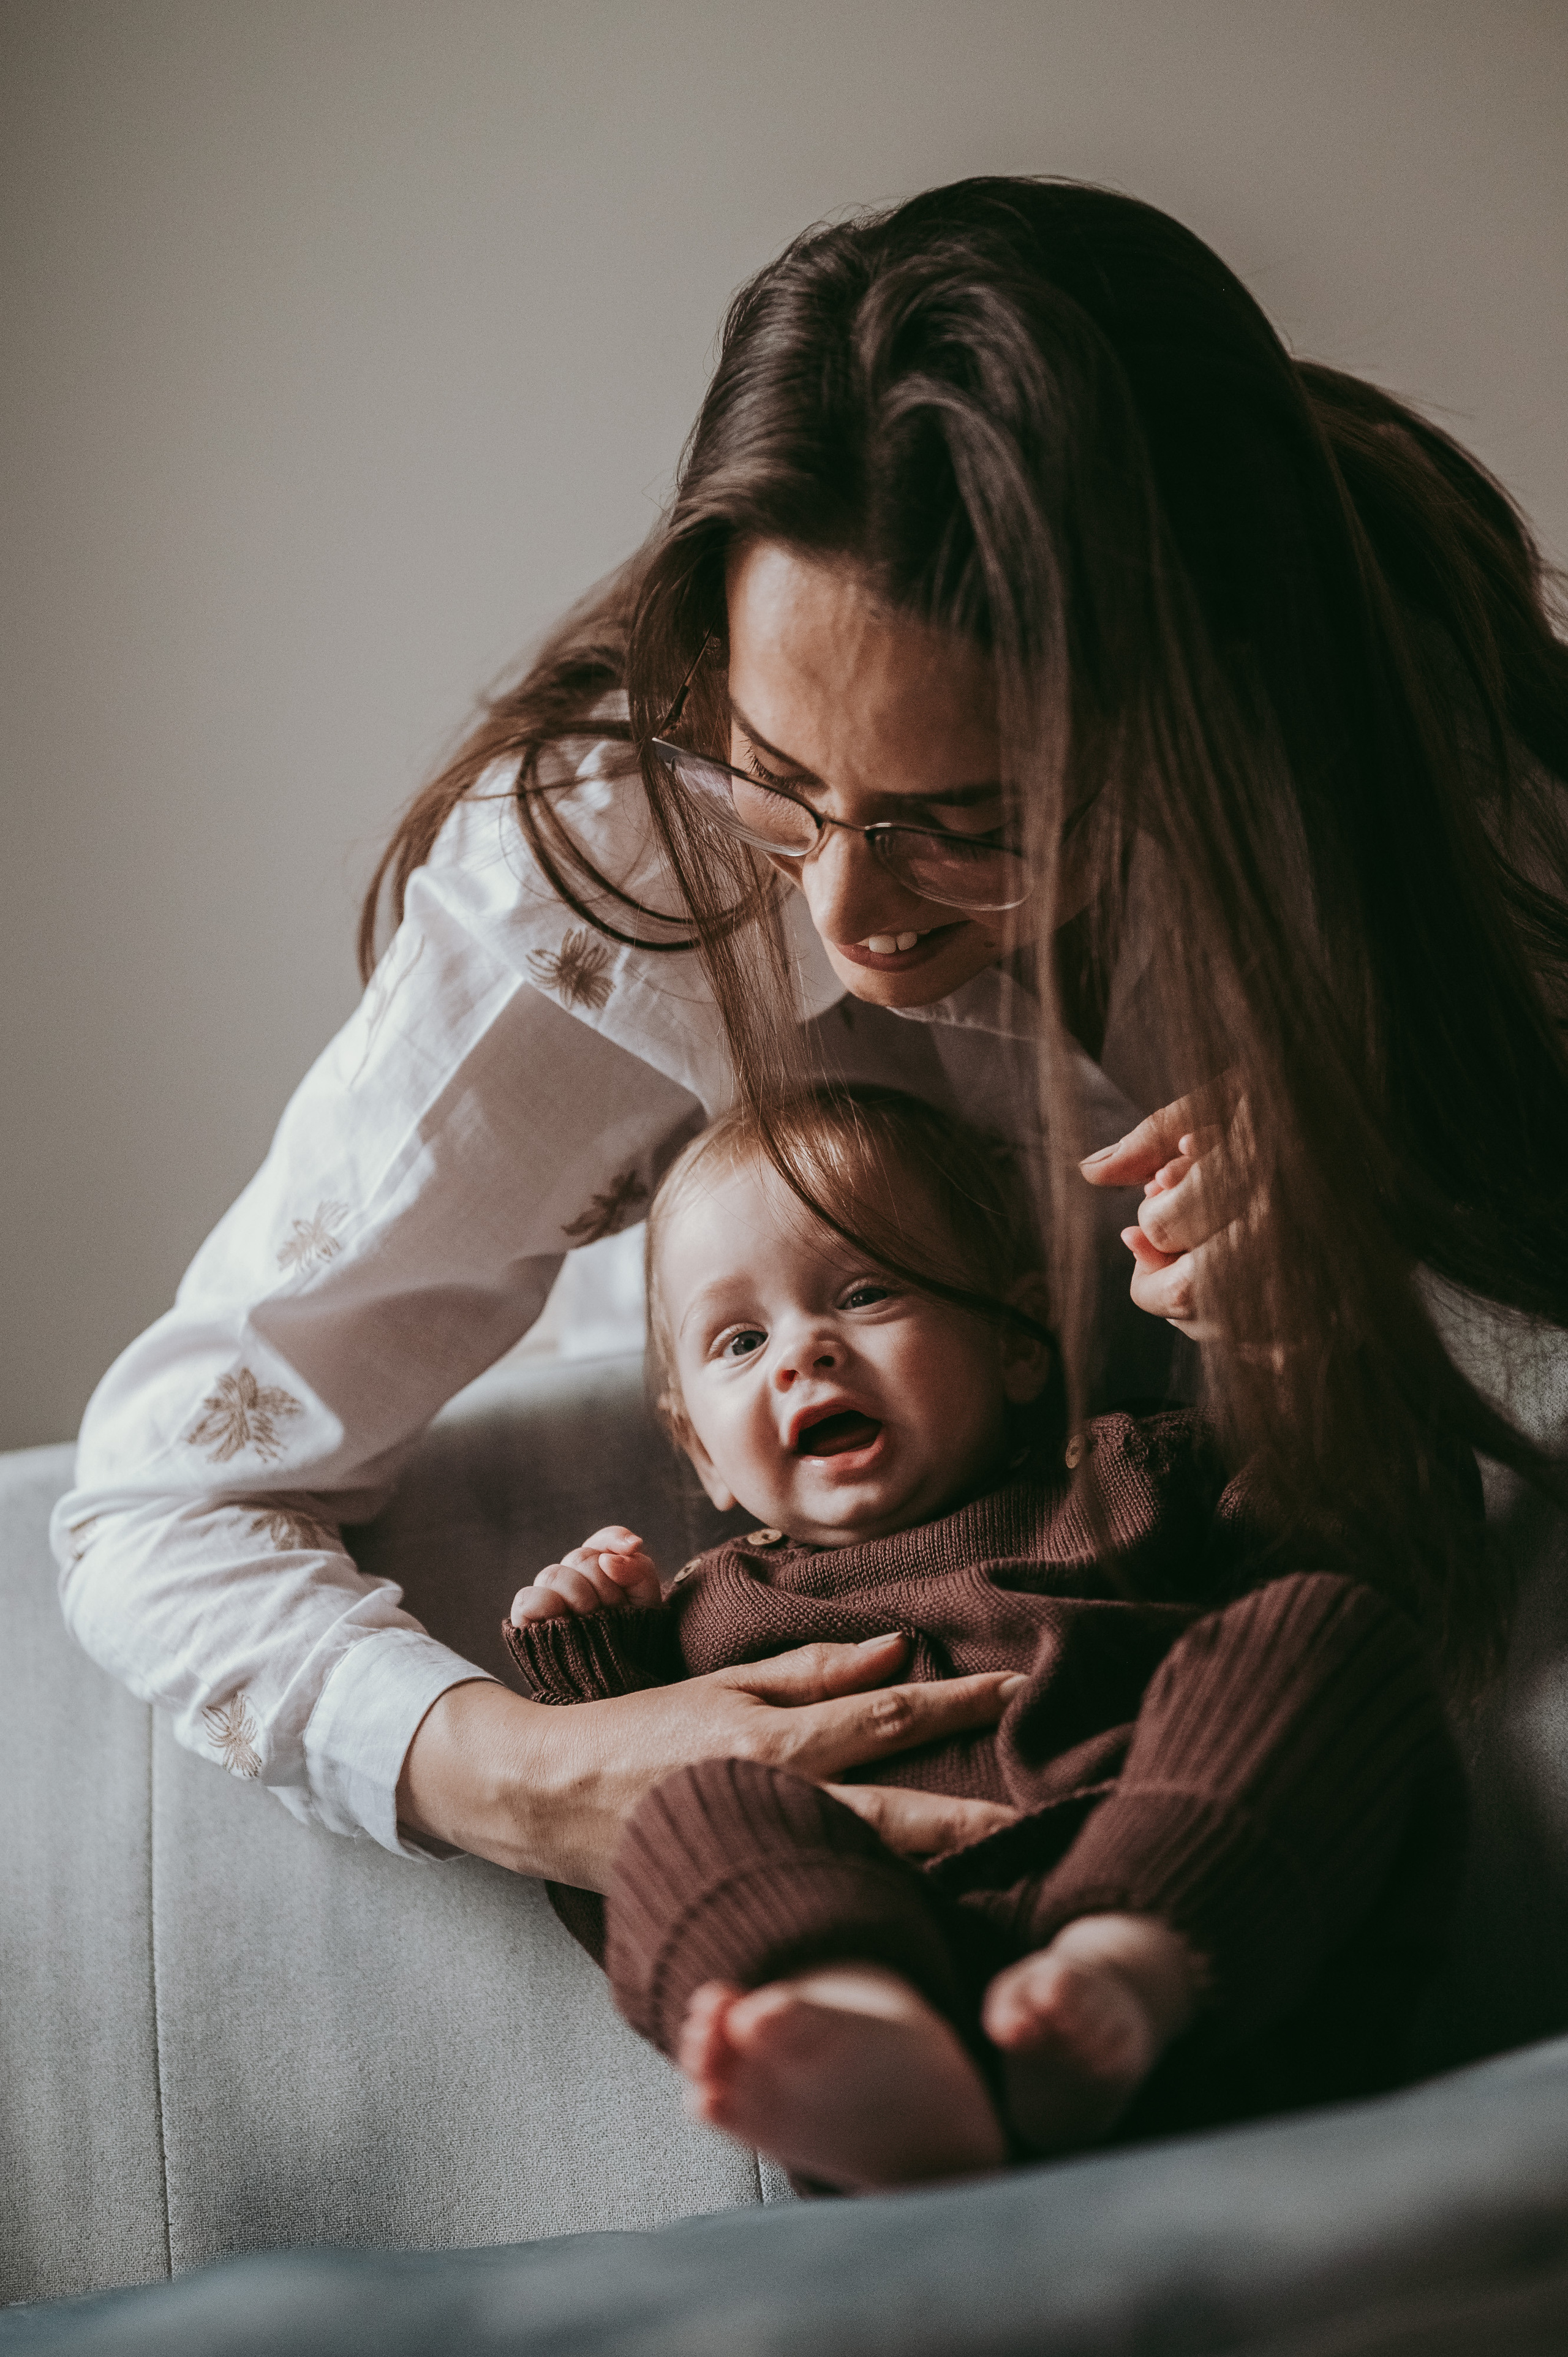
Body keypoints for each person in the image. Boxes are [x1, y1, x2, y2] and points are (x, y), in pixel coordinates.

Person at [51, 176, 1567, 1901]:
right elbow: (156, 1505)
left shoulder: (1450, 790)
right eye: (784, 787)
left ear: (1208, 708)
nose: (847, 923)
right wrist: (528, 1768)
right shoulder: (630, 879)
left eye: (970, 819)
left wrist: (1376, 1277)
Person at [502, 1086, 1464, 2195]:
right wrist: (597, 1674)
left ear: (1016, 1344)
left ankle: (1120, 1970)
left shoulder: (1126, 1478)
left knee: (1317, 1627)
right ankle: (874, 2038)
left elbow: (1358, 1538)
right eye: (739, 1339)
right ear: (699, 1453)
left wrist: (1294, 1352)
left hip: (1205, 1946)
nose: (801, 1354)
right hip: (906, 1974)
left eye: (865, 1292)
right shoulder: (704, 1618)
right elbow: (606, 1870)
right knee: (679, 1806)